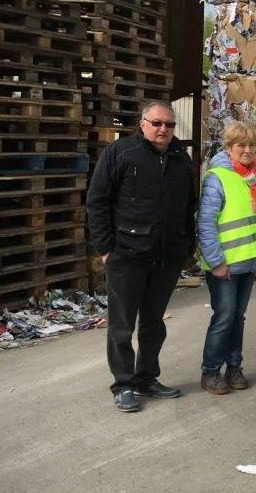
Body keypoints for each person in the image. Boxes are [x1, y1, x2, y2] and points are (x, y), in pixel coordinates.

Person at [86, 100, 196, 412]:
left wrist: (185, 245)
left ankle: (147, 377)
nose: (163, 129)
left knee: (153, 323)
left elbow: (190, 204)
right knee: (122, 326)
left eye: (169, 125)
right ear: (143, 123)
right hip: (127, 256)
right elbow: (97, 201)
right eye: (157, 123)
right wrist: (106, 249)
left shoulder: (180, 160)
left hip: (165, 258)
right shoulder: (120, 153)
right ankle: (123, 384)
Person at [197, 121, 256, 395]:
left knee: (237, 317)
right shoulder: (218, 177)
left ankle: (234, 367)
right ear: (229, 147)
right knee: (224, 316)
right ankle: (211, 371)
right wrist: (216, 261)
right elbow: (206, 222)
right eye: (241, 145)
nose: (247, 150)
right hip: (224, 264)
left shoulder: (254, 177)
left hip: (248, 261)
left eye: (252, 145)